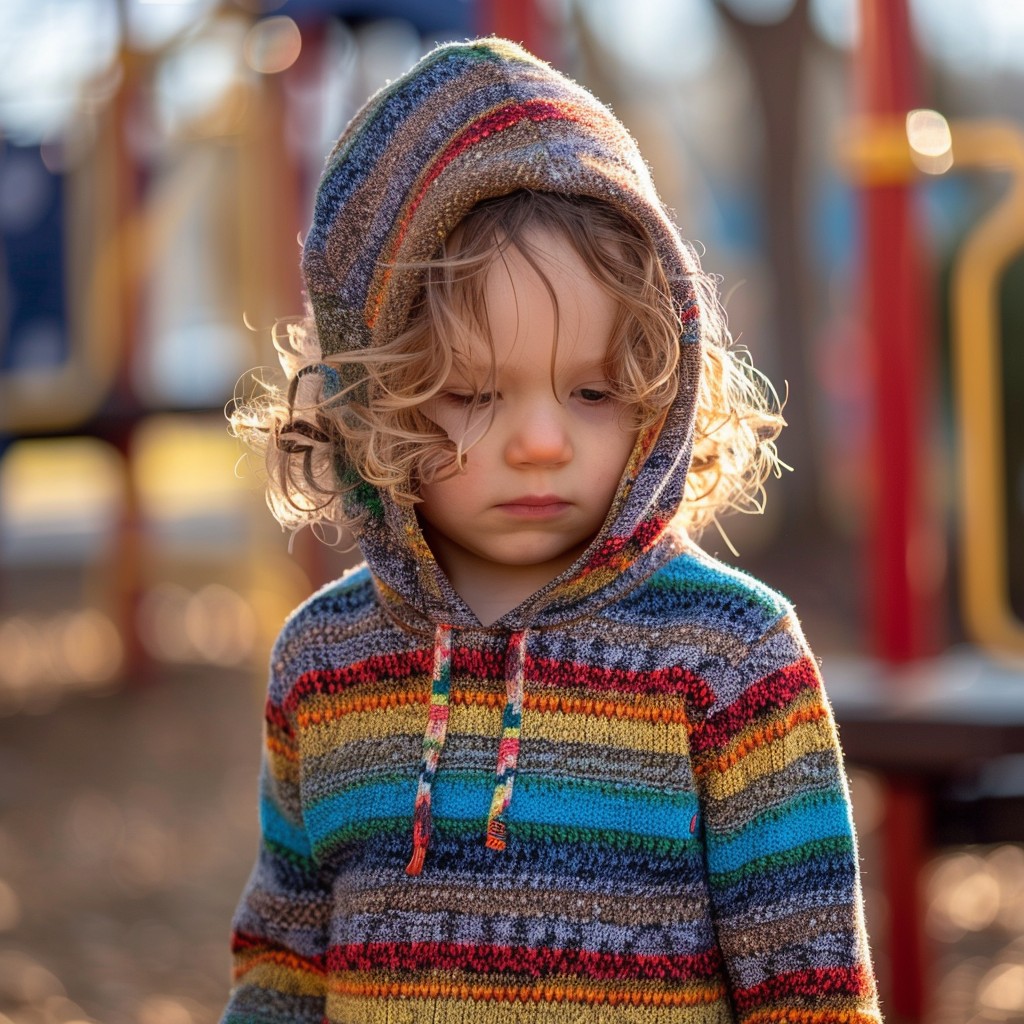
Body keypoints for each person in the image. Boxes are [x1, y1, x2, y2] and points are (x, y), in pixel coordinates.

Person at [223, 37, 881, 1024]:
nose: (539, 440)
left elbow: (811, 990)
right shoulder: (324, 662)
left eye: (592, 389)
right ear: (374, 398)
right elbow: (281, 968)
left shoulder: (730, 655)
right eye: (473, 392)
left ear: (662, 382)